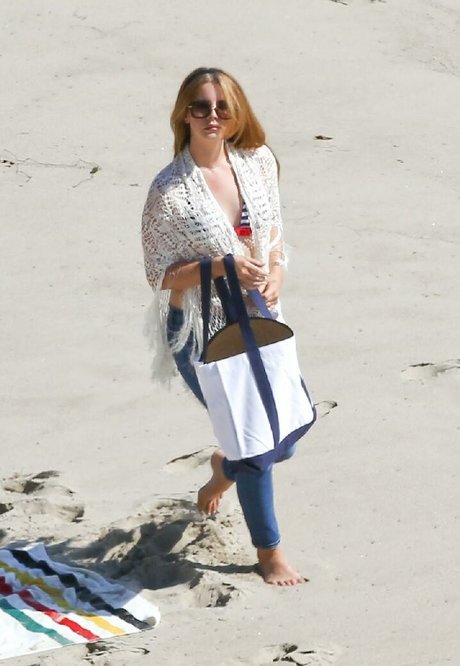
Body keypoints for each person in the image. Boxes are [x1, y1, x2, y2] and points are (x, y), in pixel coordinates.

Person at [142, 67, 304, 586]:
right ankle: (269, 552)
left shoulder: (258, 162)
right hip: (198, 328)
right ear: (184, 114)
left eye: (222, 107)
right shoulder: (169, 191)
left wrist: (275, 272)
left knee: (284, 437)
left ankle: (224, 467)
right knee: (255, 446)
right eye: (200, 107)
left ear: (236, 114)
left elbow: (273, 232)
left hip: (259, 316)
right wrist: (220, 266)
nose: (212, 116)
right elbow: (160, 275)